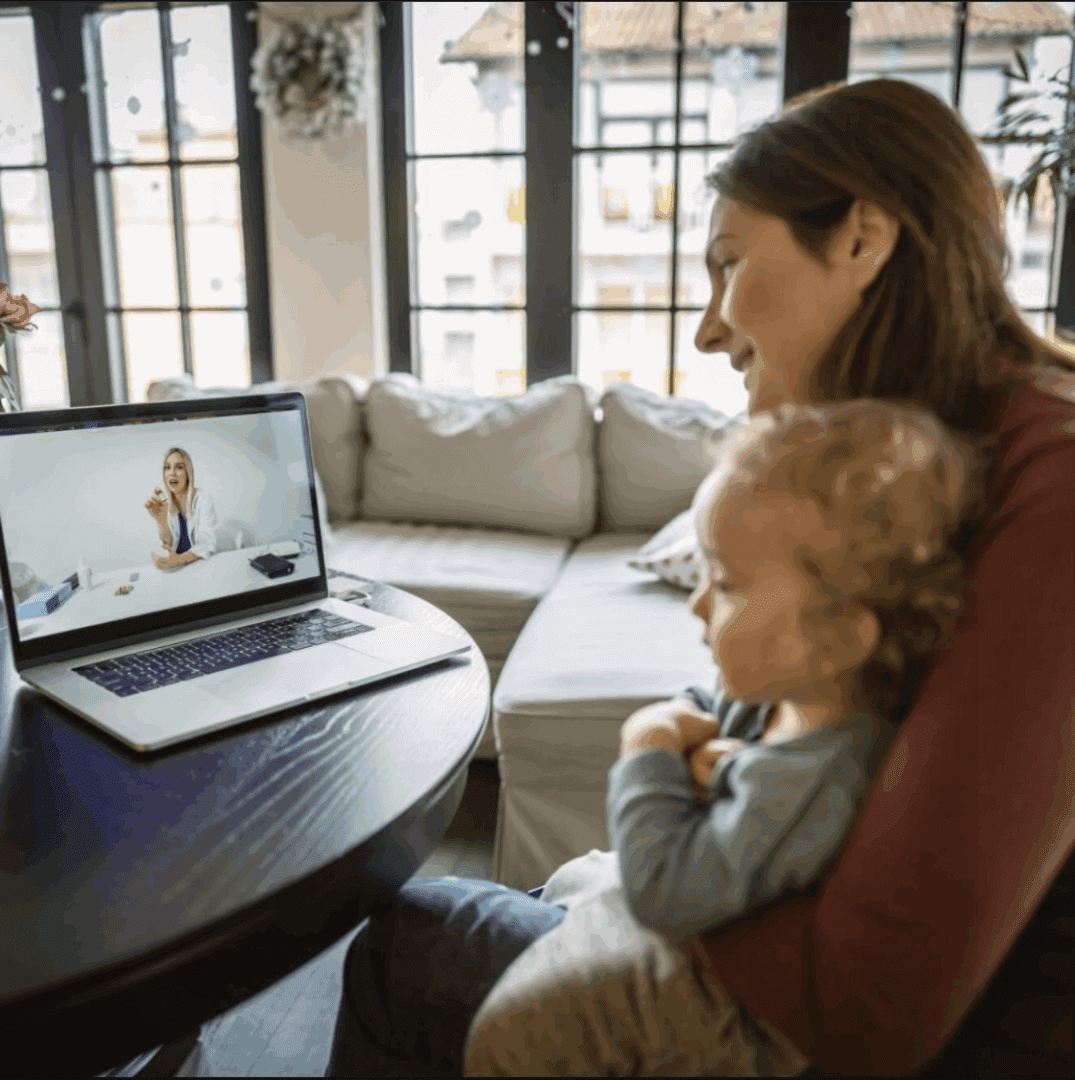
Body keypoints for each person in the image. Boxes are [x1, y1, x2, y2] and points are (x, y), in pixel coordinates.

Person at [328, 77, 1075, 1077]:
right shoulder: (909, 456)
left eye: (729, 266)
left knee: (405, 947)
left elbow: (872, 1003)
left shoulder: (1051, 484)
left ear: (861, 238)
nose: (707, 330)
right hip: (770, 956)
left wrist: (654, 877)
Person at [462, 400, 982, 1076]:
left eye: (726, 583)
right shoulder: (790, 697)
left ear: (842, 635)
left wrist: (648, 747)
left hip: (709, 1005)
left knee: (503, 1041)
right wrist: (690, 728)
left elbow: (665, 896)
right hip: (671, 926)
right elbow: (706, 702)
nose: (696, 602)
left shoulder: (815, 778)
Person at [143, 447, 218, 571]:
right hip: (178, 570)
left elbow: (207, 542)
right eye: (167, 467)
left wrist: (177, 560)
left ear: (188, 472)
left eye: (179, 467)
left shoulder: (203, 499)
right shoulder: (162, 502)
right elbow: (168, 546)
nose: (172, 473)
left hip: (201, 567)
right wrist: (161, 522)